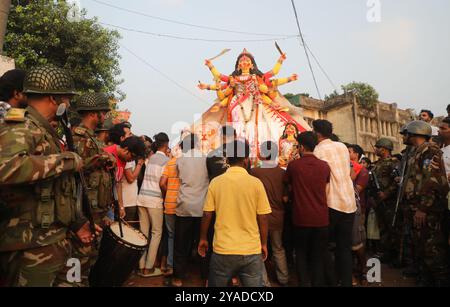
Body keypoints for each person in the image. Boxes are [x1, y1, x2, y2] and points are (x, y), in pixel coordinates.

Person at [0, 64, 96, 286]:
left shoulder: (44, 131)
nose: (68, 104)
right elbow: (6, 167)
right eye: (67, 99)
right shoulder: (21, 125)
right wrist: (67, 160)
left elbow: (56, 188)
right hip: (30, 245)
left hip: (55, 239)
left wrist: (76, 221)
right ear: (54, 98)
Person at [198, 140, 272, 287]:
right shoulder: (256, 183)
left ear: (227, 159)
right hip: (250, 249)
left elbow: (207, 214)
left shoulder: (216, 182)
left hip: (222, 248)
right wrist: (263, 243)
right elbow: (263, 217)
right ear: (246, 160)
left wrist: (203, 238)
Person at [64, 92, 116, 286]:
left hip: (96, 211)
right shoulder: (77, 137)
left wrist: (106, 160)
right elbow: (71, 171)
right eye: (103, 112)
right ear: (95, 114)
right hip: (83, 212)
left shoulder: (93, 139)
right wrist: (96, 160)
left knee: (89, 263)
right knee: (77, 265)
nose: (104, 117)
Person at [401, 120, 449, 286]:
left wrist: (422, 208)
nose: (404, 136)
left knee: (432, 249)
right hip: (419, 207)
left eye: (406, 133)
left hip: (428, 209)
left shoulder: (429, 150)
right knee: (421, 247)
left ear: (414, 133)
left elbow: (432, 180)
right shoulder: (418, 152)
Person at [312, 119, 356, 287]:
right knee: (344, 247)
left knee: (322, 246)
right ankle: (345, 281)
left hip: (331, 202)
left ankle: (330, 280)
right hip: (349, 203)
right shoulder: (342, 146)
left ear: (317, 133)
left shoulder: (317, 150)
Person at [283, 132, 330, 286]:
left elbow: (286, 183)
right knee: (317, 255)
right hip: (321, 218)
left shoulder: (294, 166)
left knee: (301, 254)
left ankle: (303, 283)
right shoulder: (324, 166)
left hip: (301, 217)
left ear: (301, 147)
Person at [170, 133, 210, 287]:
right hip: (202, 207)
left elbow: (180, 178)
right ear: (197, 144)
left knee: (181, 244)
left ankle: (178, 278)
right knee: (203, 242)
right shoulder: (206, 159)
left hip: (184, 206)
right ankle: (205, 276)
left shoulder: (180, 160)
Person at [250, 141, 289, 286]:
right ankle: (284, 278)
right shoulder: (282, 173)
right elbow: (286, 198)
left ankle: (264, 282)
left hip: (259, 218)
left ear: (261, 154)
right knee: (278, 248)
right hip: (278, 217)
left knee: (259, 249)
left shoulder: (254, 172)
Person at [137, 132, 170, 277]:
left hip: (142, 197)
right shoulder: (166, 161)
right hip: (155, 200)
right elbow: (163, 184)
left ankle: (141, 265)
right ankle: (149, 268)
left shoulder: (150, 159)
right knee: (156, 233)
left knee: (143, 234)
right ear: (167, 144)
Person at [370, 138, 401, 267]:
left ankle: (396, 256)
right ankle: (387, 253)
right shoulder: (377, 164)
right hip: (379, 200)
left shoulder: (394, 163)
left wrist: (387, 193)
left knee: (392, 228)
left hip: (390, 201)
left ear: (384, 149)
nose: (375, 149)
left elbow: (397, 181)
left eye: (377, 147)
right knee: (383, 228)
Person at [347, 144, 370, 285]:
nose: (346, 153)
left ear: (356, 154)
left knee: (358, 243)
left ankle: (363, 270)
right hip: (345, 208)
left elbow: (357, 188)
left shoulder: (362, 171)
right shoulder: (345, 167)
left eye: (348, 151)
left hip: (357, 209)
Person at [159, 141, 182, 276]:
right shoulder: (185, 163)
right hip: (181, 204)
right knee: (182, 237)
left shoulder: (169, 163)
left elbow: (162, 183)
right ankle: (180, 266)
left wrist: (168, 193)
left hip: (169, 203)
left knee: (171, 236)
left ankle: (170, 265)